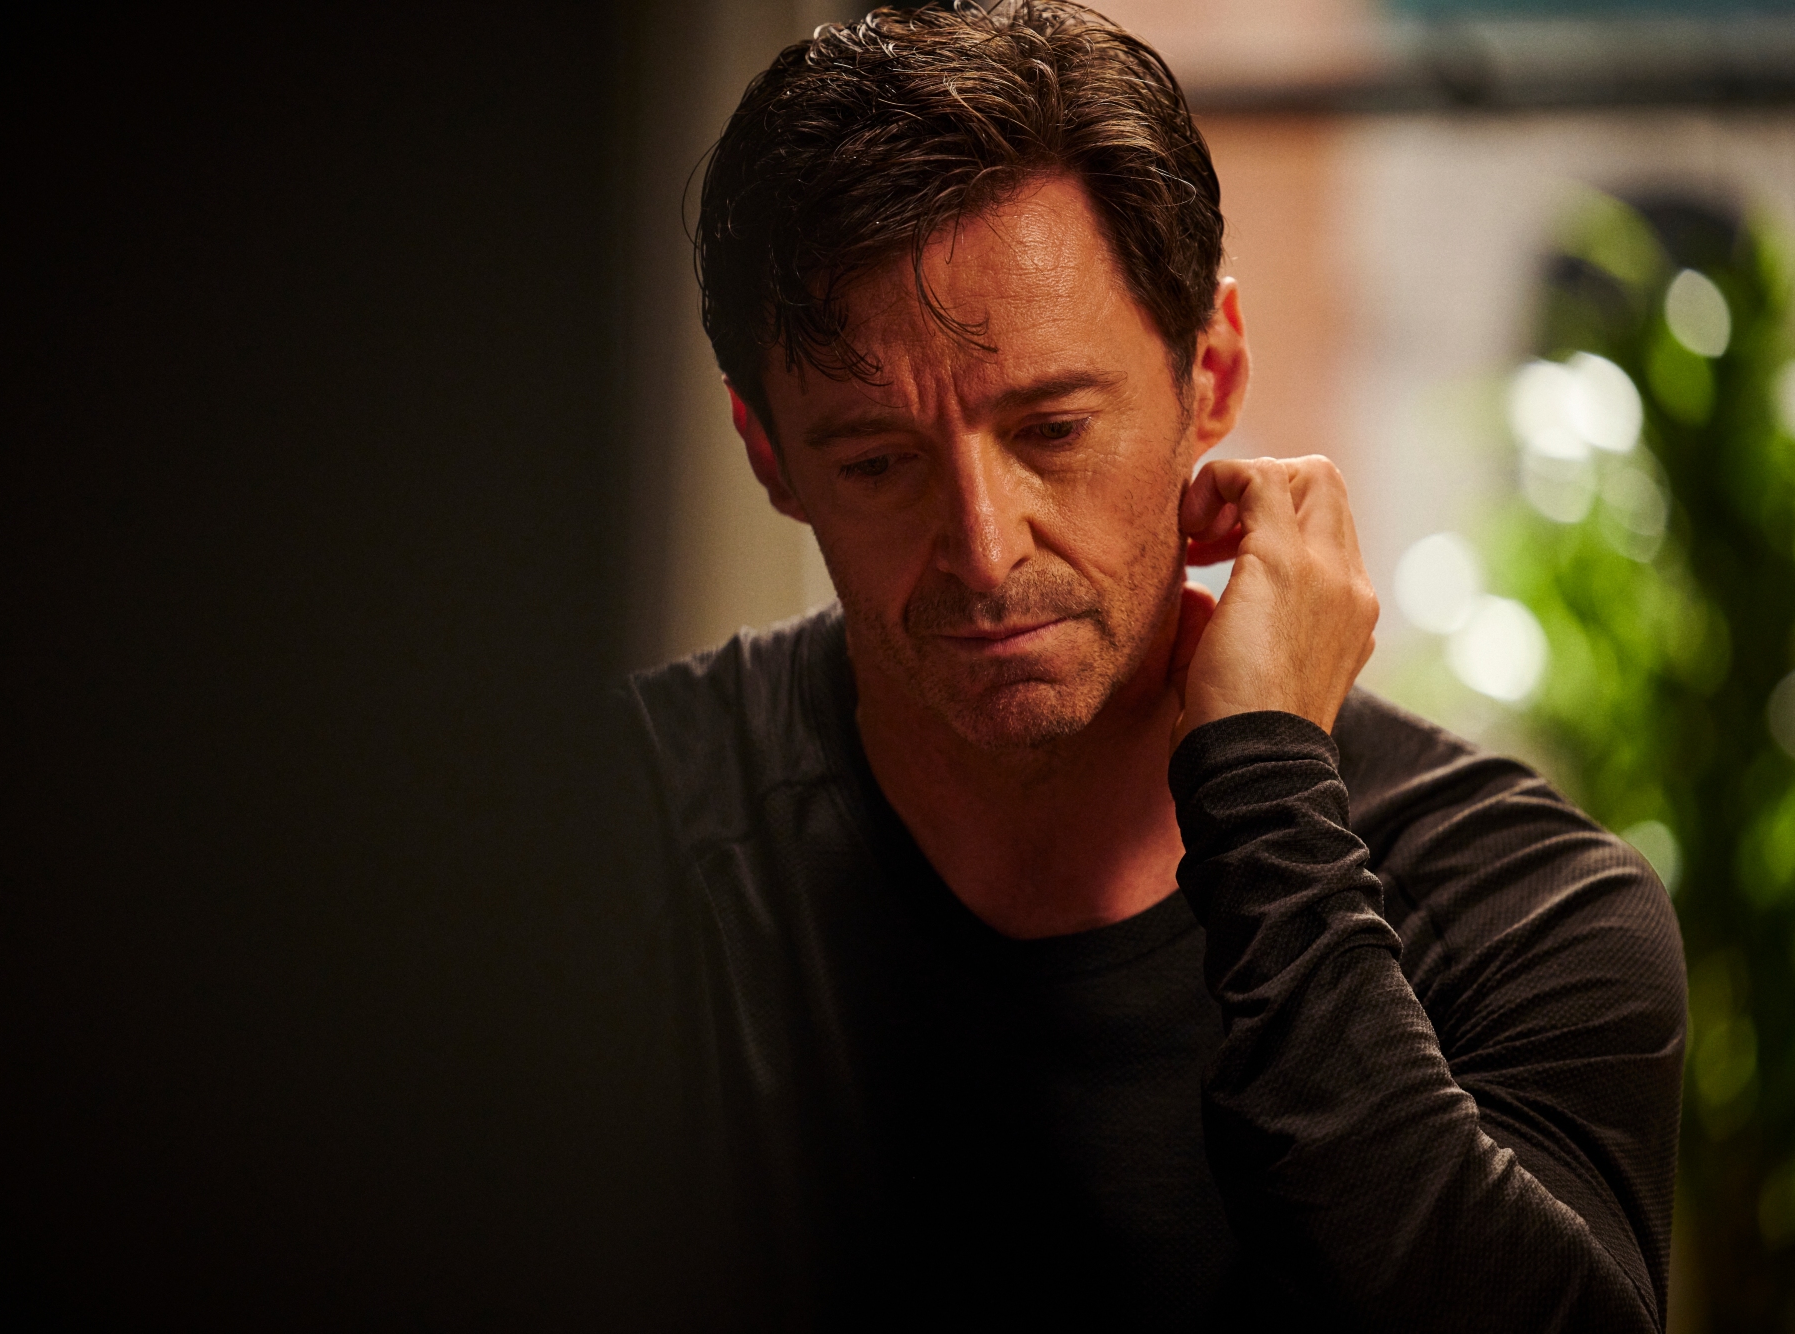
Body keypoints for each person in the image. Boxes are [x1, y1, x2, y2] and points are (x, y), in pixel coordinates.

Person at [599, 4, 1685, 1328]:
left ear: (1210, 372)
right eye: (878, 462)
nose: (986, 549)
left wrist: (1267, 792)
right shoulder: (604, 843)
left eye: (1052, 428)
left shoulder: (1527, 909)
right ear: (769, 454)